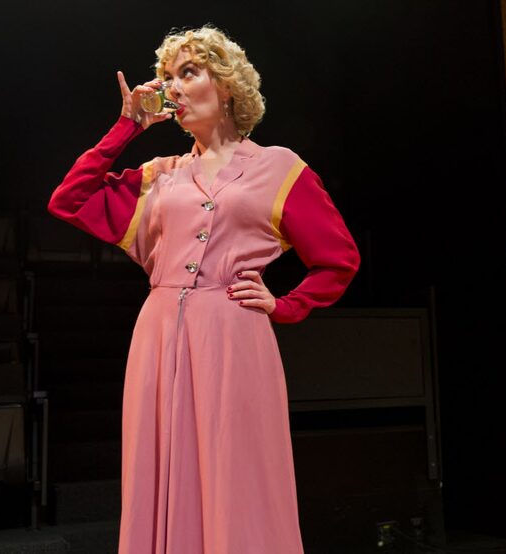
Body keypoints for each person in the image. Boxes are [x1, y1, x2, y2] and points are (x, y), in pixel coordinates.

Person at [48, 25, 360, 553]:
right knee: (159, 470)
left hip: (233, 337)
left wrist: (285, 306)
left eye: (188, 73)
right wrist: (127, 128)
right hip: (158, 335)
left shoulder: (279, 168)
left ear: (227, 86)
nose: (171, 87)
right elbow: (69, 200)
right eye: (167, 77)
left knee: (235, 474)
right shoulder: (160, 175)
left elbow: (339, 259)